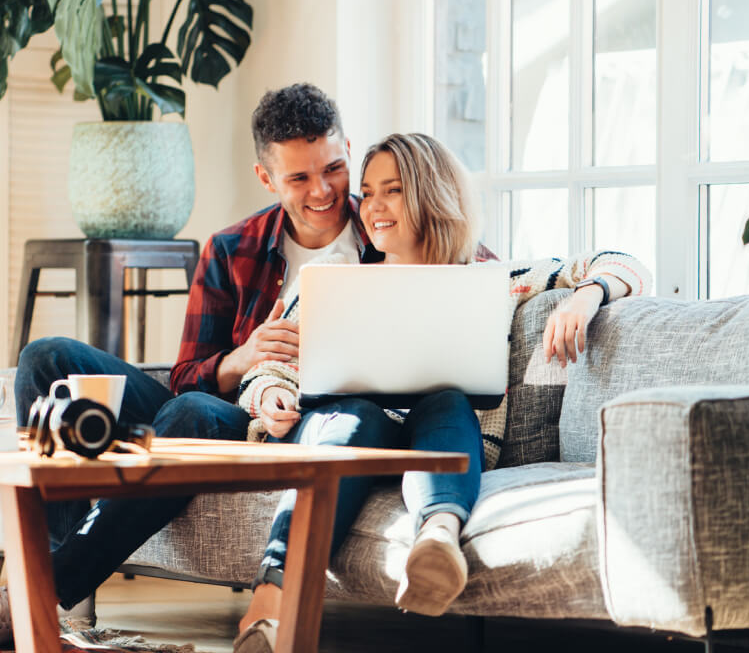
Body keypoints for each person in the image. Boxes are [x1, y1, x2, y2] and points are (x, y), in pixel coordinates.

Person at [0, 83, 401, 650]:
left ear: (347, 150)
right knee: (48, 359)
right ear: (266, 178)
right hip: (222, 407)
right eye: (299, 179)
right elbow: (185, 373)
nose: (322, 191)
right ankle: (67, 592)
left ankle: (41, 593)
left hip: (292, 427)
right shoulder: (232, 248)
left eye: (333, 169)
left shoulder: (389, 228)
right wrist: (244, 356)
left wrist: (543, 293)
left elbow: (475, 257)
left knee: (193, 411)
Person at [230, 133, 651, 652]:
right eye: (368, 191)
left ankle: (437, 541)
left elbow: (623, 262)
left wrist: (586, 297)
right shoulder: (329, 280)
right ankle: (271, 601)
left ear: (430, 194)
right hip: (345, 434)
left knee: (448, 399)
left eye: (393, 190)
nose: (372, 207)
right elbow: (267, 369)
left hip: (435, 437)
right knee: (356, 414)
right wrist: (269, 398)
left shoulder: (493, 280)